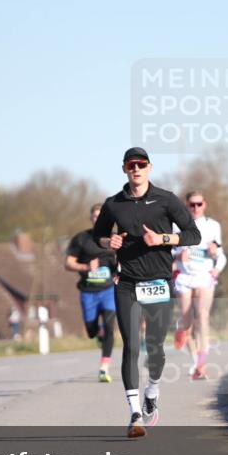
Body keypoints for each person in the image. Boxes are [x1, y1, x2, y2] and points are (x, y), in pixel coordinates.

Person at [93, 147, 200, 438]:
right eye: (131, 165)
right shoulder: (114, 204)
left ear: (149, 168)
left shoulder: (165, 200)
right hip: (126, 282)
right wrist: (108, 241)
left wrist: (163, 239)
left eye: (141, 164)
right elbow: (96, 236)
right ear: (125, 169)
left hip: (158, 282)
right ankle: (135, 414)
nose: (136, 169)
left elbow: (193, 234)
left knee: (155, 348)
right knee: (131, 345)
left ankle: (152, 391)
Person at [172, 191, 226, 381]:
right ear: (186, 206)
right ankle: (195, 359)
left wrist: (216, 263)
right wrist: (178, 255)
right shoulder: (176, 225)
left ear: (205, 204)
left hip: (204, 275)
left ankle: (201, 364)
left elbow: (221, 255)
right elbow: (166, 252)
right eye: (192, 205)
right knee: (187, 323)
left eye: (199, 204)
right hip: (185, 276)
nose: (195, 208)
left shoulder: (213, 226)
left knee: (202, 316)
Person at [65, 203, 118, 383]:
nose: (98, 219)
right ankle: (98, 333)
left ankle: (104, 368)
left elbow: (124, 261)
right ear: (91, 218)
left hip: (109, 290)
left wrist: (120, 271)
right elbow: (69, 263)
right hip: (88, 292)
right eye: (95, 216)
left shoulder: (115, 240)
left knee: (110, 327)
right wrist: (86, 266)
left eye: (101, 216)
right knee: (91, 330)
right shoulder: (81, 239)